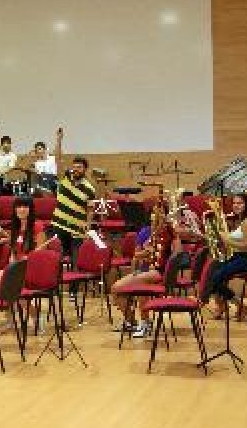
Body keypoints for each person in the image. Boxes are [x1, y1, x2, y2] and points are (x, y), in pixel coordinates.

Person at [111, 205, 178, 338]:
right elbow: (137, 255)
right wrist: (146, 251)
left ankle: (146, 323)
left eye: (159, 214)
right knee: (115, 289)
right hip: (146, 270)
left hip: (159, 272)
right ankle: (131, 321)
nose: (155, 217)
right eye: (153, 214)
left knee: (142, 285)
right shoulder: (148, 232)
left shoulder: (169, 232)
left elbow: (175, 253)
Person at [200, 194, 247, 320]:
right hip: (238, 256)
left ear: (246, 205)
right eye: (234, 203)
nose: (236, 206)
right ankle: (222, 305)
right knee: (213, 272)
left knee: (216, 278)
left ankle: (239, 305)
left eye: (240, 203)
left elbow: (246, 246)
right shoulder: (240, 221)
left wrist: (227, 240)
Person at [45, 127, 96, 262]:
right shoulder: (65, 177)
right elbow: (57, 159)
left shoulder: (89, 188)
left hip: (77, 229)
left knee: (76, 261)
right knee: (57, 260)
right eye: (74, 166)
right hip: (59, 225)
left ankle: (74, 284)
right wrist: (59, 139)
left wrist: (88, 227)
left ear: (85, 169)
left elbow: (90, 210)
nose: (76, 169)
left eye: (79, 167)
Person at [0, 196, 44, 297]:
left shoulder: (37, 226)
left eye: (25, 206)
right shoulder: (16, 227)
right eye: (18, 207)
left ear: (31, 209)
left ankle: (22, 311)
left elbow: (41, 254)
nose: (22, 209)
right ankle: (14, 310)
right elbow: (13, 252)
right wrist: (11, 266)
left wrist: (28, 258)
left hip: (29, 268)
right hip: (16, 268)